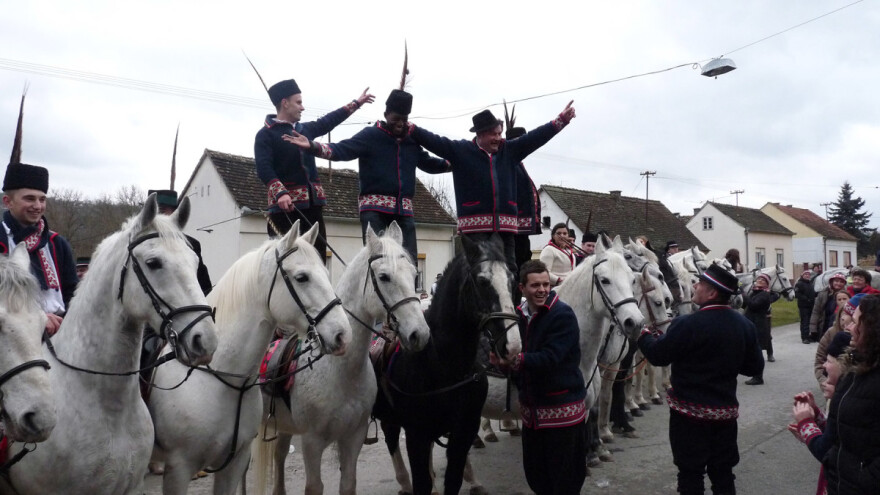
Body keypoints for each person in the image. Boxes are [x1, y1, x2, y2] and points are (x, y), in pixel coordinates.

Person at [638, 262, 764, 495]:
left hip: (688, 417)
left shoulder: (687, 324)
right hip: (725, 414)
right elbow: (754, 366)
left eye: (701, 284)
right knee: (723, 473)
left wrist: (642, 334)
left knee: (690, 474)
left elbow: (657, 356)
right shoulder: (744, 325)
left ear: (712, 292)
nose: (695, 286)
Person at [282, 89, 448, 263]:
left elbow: (429, 163)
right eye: (396, 119)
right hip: (374, 211)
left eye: (404, 119)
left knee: (409, 262)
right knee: (377, 262)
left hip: (404, 212)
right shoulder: (371, 136)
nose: (400, 123)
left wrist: (455, 164)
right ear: (386, 115)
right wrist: (312, 146)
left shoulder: (411, 141)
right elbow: (342, 149)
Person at [410, 103, 576, 274]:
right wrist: (412, 129)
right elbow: (433, 141)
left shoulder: (509, 151)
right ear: (480, 135)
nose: (498, 138)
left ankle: (510, 302)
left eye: (499, 133)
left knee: (510, 271)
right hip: (475, 230)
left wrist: (561, 120)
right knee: (477, 273)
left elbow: (535, 138)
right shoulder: (461, 150)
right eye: (494, 134)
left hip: (506, 228)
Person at [491, 259, 586, 495]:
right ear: (521, 288)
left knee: (564, 480)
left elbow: (551, 358)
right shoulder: (517, 316)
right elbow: (513, 361)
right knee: (537, 476)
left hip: (562, 413)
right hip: (532, 414)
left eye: (546, 284)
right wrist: (502, 364)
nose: (542, 290)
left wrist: (514, 360)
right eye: (535, 286)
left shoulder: (562, 315)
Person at [254, 78, 375, 260]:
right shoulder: (265, 135)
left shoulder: (305, 130)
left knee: (317, 259)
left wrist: (356, 103)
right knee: (286, 263)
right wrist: (281, 193)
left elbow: (329, 121)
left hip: (313, 208)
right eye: (299, 102)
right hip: (283, 211)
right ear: (284, 103)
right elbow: (264, 168)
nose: (303, 107)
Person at [792, 293, 880, 494]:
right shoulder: (857, 366)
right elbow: (849, 431)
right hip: (840, 483)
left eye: (855, 322)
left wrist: (806, 425)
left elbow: (828, 446)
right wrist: (819, 418)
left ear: (872, 329)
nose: (848, 327)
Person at [1, 163, 78, 336]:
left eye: (42, 199)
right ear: (8, 201)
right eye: (29, 199)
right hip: (11, 335)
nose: (37, 206)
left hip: (61, 333)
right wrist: (39, 317)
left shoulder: (57, 243)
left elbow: (71, 292)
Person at [789, 331, 852, 495]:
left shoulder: (848, 400)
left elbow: (827, 451)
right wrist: (816, 416)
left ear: (843, 364)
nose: (824, 365)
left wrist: (806, 425)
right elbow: (837, 435)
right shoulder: (848, 395)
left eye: (829, 361)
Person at [814, 293, 863, 386]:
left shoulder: (862, 343)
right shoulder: (832, 332)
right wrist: (826, 384)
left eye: (851, 317)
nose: (843, 318)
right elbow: (820, 362)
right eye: (842, 314)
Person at [743, 273, 781, 384]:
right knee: (753, 351)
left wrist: (743, 293)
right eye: (759, 278)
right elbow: (746, 305)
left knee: (757, 352)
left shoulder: (764, 295)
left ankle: (758, 377)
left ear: (766, 284)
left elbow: (753, 305)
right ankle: (754, 375)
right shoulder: (757, 292)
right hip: (753, 323)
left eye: (763, 280)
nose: (760, 280)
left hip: (759, 325)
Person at [810, 273, 847, 342]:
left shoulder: (846, 295)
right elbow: (816, 312)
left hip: (838, 327)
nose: (838, 283)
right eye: (836, 281)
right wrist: (813, 329)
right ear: (831, 282)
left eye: (841, 282)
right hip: (824, 326)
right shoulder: (823, 294)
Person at [795, 269, 817, 344]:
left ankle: (808, 336)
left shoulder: (810, 284)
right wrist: (806, 299)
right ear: (802, 275)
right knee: (805, 321)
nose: (807, 276)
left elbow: (813, 293)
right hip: (803, 306)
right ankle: (804, 337)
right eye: (806, 274)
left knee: (810, 321)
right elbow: (797, 294)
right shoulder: (799, 284)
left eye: (808, 275)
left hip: (811, 305)